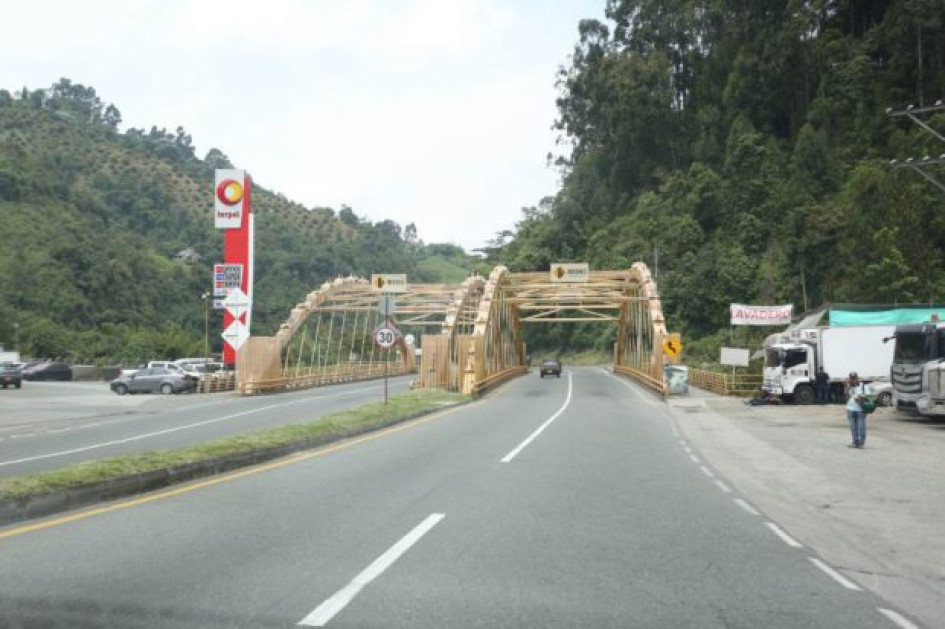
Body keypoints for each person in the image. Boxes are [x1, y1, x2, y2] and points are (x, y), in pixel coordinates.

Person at [845, 371, 871, 448]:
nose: (853, 380)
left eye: (854, 378)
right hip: (850, 409)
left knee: (861, 427)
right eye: (851, 378)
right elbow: (847, 397)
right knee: (853, 427)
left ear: (857, 378)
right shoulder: (848, 386)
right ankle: (855, 442)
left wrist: (861, 397)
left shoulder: (863, 386)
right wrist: (847, 388)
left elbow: (869, 397)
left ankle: (861, 443)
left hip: (861, 410)